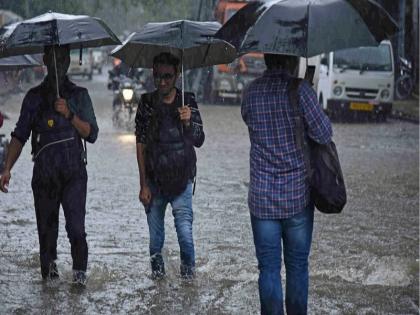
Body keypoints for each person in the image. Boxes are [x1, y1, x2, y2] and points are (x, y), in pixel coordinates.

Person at [241, 54, 332, 315]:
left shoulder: (251, 92)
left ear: (267, 61)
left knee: (268, 269)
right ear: (292, 61)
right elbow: (323, 134)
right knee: (297, 267)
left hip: (261, 197)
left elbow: (248, 121)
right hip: (297, 197)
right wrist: (308, 98)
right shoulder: (301, 90)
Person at [0, 45, 99, 286]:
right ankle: (49, 285)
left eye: (63, 58)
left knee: (76, 230)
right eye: (53, 58)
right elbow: (19, 136)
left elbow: (92, 134)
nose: (58, 64)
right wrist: (7, 168)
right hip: (44, 176)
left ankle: (79, 281)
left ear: (69, 60)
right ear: (44, 60)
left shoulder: (79, 95)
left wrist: (69, 114)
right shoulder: (34, 97)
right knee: (47, 236)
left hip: (74, 174)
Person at [135, 52, 205, 280]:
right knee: (155, 242)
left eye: (167, 76)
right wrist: (143, 184)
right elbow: (141, 144)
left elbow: (199, 139)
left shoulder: (188, 100)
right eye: (157, 76)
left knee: (185, 235)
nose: (162, 81)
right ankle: (157, 284)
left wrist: (188, 122)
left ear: (177, 75)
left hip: (182, 180)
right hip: (154, 183)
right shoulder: (146, 103)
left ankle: (188, 281)